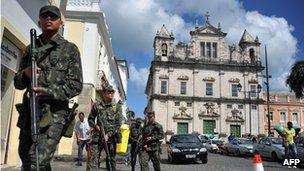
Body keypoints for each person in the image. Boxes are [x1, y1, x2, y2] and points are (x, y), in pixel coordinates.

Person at [14, 5, 83, 170]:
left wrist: (47, 91)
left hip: (54, 114)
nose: (48, 19)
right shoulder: (31, 49)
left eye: (53, 17)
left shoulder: (70, 49)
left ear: (60, 23)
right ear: (39, 21)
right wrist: (26, 73)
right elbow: (17, 83)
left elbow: (76, 85)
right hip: (29, 112)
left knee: (37, 160)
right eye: (45, 17)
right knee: (26, 160)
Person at [88, 84, 123, 171]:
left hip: (111, 138)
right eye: (109, 92)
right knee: (94, 160)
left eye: (112, 92)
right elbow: (90, 119)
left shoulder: (117, 107)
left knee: (111, 161)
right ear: (104, 93)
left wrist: (109, 134)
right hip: (98, 137)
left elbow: (118, 124)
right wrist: (95, 126)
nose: (111, 94)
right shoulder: (97, 105)